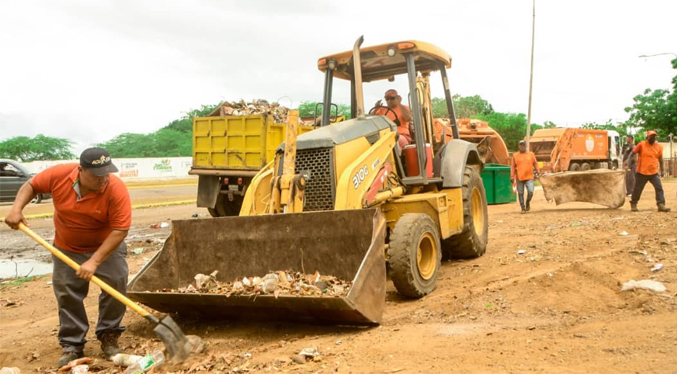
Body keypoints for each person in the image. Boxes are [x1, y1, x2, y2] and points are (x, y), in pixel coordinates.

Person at [4, 148, 132, 367]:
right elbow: (31, 186)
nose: (103, 179)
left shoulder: (115, 189)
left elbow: (120, 229)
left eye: (107, 173)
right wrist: (17, 208)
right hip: (67, 247)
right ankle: (73, 345)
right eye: (97, 175)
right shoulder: (59, 175)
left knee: (116, 284)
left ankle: (109, 335)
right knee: (68, 294)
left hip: (106, 245)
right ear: (80, 170)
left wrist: (94, 261)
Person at [630, 130, 670, 212]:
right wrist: (629, 163)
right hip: (642, 172)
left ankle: (661, 204)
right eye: (651, 136)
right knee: (638, 189)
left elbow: (660, 159)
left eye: (654, 136)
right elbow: (632, 153)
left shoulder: (659, 147)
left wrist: (662, 170)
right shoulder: (641, 144)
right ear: (647, 137)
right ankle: (633, 203)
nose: (653, 138)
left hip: (654, 172)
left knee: (659, 188)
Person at [510, 140, 541, 214]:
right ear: (518, 146)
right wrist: (512, 176)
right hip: (519, 177)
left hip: (529, 176)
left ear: (526, 146)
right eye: (520, 145)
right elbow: (513, 167)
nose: (522, 146)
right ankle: (523, 208)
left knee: (530, 191)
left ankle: (527, 202)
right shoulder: (515, 155)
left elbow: (535, 164)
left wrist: (538, 172)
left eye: (523, 145)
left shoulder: (531, 154)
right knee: (520, 193)